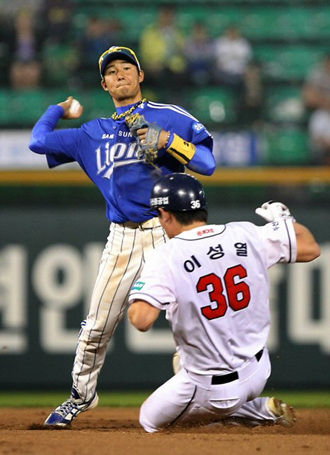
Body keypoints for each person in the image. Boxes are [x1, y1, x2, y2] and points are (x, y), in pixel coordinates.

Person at [29, 46, 215, 427]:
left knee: (190, 323)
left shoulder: (168, 117)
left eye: (126, 68)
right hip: (123, 238)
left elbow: (208, 163)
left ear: (140, 76)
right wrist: (58, 110)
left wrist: (167, 142)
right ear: (104, 85)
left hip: (171, 233)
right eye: (112, 72)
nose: (120, 75)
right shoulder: (90, 134)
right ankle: (80, 397)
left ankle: (201, 399)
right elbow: (38, 141)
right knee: (97, 326)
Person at [128, 173, 321, 433]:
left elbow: (141, 320)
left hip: (214, 388)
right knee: (184, 358)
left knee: (150, 420)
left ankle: (253, 411)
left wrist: (143, 288)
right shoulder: (246, 233)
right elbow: (310, 247)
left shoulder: (167, 255)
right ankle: (243, 405)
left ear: (166, 214)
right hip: (259, 371)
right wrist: (286, 220)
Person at [302, 54, 330, 165]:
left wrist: (322, 99)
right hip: (322, 113)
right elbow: (308, 98)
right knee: (318, 118)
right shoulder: (317, 75)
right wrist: (326, 102)